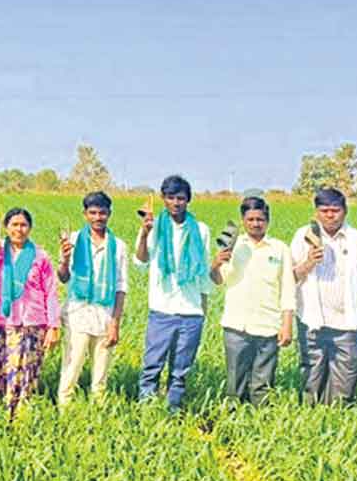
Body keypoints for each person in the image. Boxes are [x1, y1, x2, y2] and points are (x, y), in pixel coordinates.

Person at [291, 187, 357, 406]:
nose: (330, 215)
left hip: (348, 323)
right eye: (324, 211)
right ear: (316, 212)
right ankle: (310, 422)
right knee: (311, 379)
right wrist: (309, 262)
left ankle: (338, 419)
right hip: (312, 321)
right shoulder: (304, 236)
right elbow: (290, 277)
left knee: (346, 381)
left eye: (335, 210)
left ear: (345, 211)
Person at [133, 175, 213, 410]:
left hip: (191, 310)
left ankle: (173, 410)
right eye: (171, 198)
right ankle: (147, 410)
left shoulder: (201, 230)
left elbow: (203, 271)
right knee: (152, 365)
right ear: (163, 199)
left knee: (181, 369)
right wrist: (145, 233)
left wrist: (203, 309)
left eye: (181, 198)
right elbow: (140, 260)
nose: (176, 203)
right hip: (162, 309)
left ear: (188, 200)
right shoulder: (154, 225)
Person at [210, 196, 295, 405]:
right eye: (250, 219)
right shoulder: (233, 246)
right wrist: (215, 264)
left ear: (267, 220)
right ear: (243, 220)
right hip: (237, 325)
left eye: (260, 219)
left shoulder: (279, 249)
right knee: (235, 382)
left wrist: (286, 325)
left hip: (268, 325)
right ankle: (233, 423)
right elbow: (219, 280)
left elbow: (288, 288)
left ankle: (260, 423)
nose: (256, 224)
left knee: (263, 384)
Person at [0, 208, 60, 417]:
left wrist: (53, 326)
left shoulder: (40, 257)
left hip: (31, 324)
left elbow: (51, 292)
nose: (19, 229)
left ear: (30, 228)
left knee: (23, 372)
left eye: (23, 225)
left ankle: (19, 417)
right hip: (0, 323)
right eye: (14, 225)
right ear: (6, 228)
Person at [56, 191, 128, 405]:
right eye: (93, 213)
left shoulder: (119, 246)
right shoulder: (74, 239)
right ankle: (65, 410)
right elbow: (63, 277)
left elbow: (121, 287)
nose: (98, 217)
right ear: (85, 214)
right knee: (72, 366)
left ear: (109, 214)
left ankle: (98, 412)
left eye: (102, 213)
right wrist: (64, 260)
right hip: (78, 313)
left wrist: (115, 323)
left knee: (101, 372)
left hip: (105, 315)